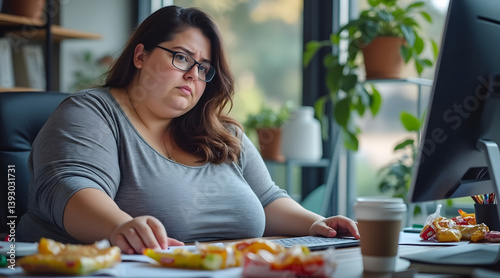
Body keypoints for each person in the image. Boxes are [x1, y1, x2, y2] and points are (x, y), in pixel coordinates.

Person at [17, 5, 359, 254]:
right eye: (181, 58)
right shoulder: (92, 112)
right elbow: (69, 187)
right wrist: (118, 227)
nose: (194, 75)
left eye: (204, 68)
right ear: (140, 56)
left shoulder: (222, 133)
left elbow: (268, 200)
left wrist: (318, 224)